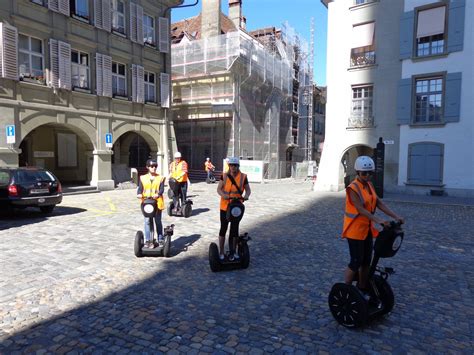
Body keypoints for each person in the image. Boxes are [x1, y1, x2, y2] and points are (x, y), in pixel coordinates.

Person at [342, 156, 404, 296]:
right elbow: (360, 209)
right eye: (364, 173)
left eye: (370, 172)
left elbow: (378, 203)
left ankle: (362, 287)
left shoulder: (369, 185)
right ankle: (345, 289)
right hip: (355, 231)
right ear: (358, 172)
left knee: (366, 261)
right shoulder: (353, 188)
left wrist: (395, 216)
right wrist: (379, 220)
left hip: (367, 230)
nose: (368, 175)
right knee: (356, 261)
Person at [217, 157, 251, 261]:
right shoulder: (224, 176)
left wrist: (246, 196)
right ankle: (221, 252)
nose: (233, 167)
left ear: (238, 166)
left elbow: (248, 190)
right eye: (231, 165)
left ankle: (234, 251)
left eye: (235, 165)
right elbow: (219, 189)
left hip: (236, 206)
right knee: (223, 228)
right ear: (229, 166)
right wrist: (223, 195)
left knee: (234, 230)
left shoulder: (243, 177)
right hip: (225, 206)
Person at [137, 159, 166, 248]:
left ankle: (160, 239)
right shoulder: (143, 178)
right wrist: (139, 194)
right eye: (152, 166)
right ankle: (147, 240)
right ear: (147, 167)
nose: (154, 168)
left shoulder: (160, 178)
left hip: (157, 202)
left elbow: (161, 189)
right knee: (147, 222)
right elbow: (140, 189)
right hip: (146, 203)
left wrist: (158, 194)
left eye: (155, 166)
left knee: (157, 221)